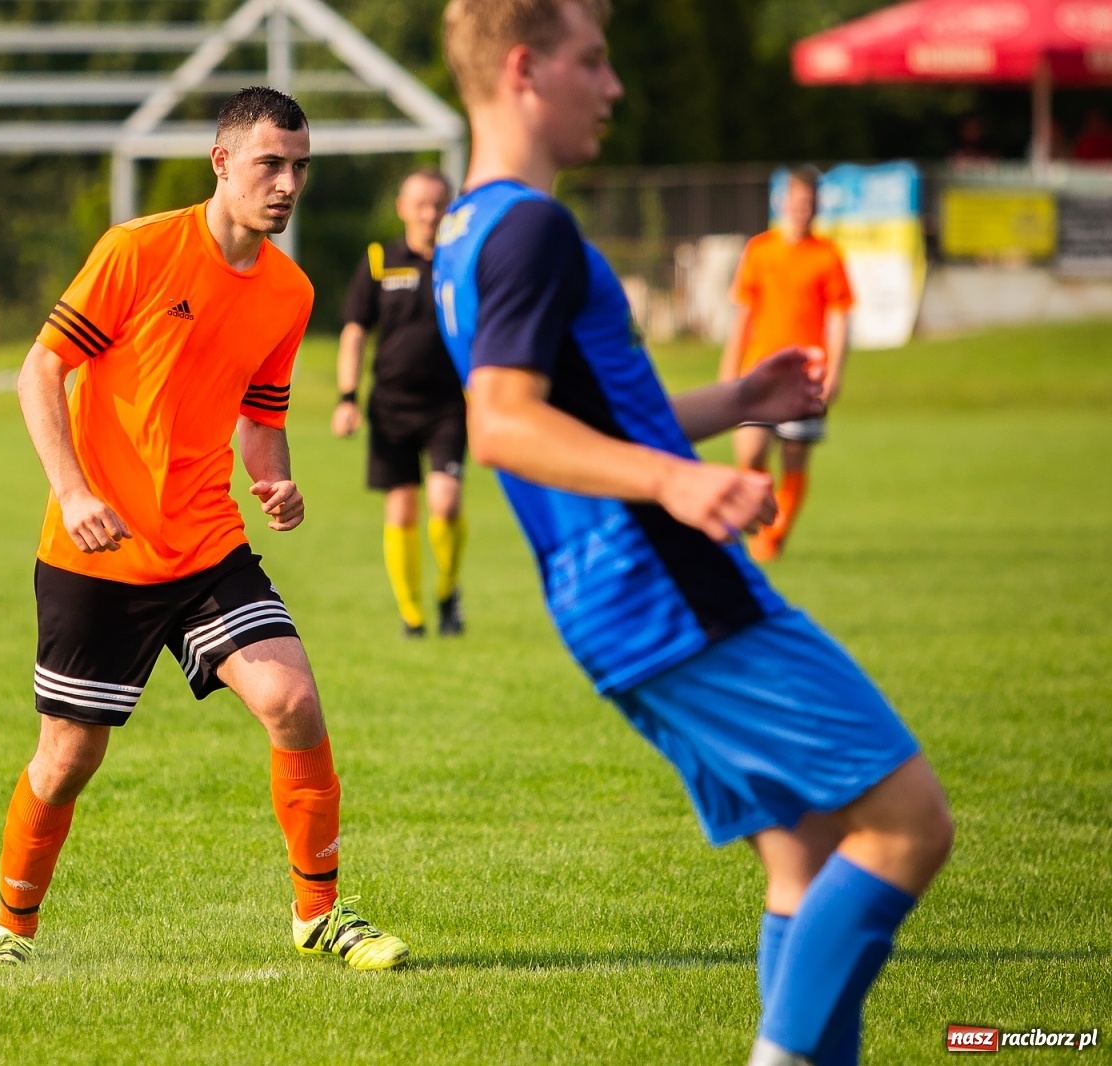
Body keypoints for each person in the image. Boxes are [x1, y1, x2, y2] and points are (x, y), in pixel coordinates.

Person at [431, 2, 953, 1064]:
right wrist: (676, 479)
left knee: (802, 852)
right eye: (593, 60)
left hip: (609, 597)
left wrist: (727, 402)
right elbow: (502, 421)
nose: (613, 87)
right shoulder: (531, 227)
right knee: (907, 823)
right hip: (661, 584)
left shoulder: (464, 232)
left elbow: (586, 407)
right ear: (526, 69)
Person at [0, 86, 409, 973]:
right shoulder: (139, 250)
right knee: (67, 759)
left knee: (292, 701)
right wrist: (73, 489)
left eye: (300, 168)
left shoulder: (290, 291)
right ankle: (10, 932)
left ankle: (318, 915)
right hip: (96, 549)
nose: (286, 184)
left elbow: (261, 410)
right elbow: (39, 370)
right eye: (269, 165)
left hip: (207, 544)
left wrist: (274, 480)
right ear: (222, 163)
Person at [332, 168, 468, 637]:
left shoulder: (462, 262)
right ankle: (412, 616)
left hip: (450, 404)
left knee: (445, 503)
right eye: (421, 204)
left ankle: (448, 592)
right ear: (402, 208)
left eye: (439, 204)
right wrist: (347, 397)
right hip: (391, 406)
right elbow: (354, 332)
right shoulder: (378, 260)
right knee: (402, 509)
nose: (430, 213)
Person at [719, 165, 853, 561]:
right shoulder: (760, 250)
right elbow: (743, 314)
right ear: (782, 203)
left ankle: (772, 538)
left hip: (806, 375)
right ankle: (757, 522)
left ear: (817, 206)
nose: (802, 209)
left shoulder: (828, 256)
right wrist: (730, 369)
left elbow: (840, 319)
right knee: (751, 451)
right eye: (796, 201)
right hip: (761, 370)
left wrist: (835, 372)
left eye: (809, 202)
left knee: (795, 455)